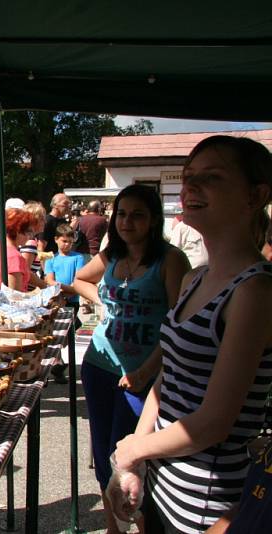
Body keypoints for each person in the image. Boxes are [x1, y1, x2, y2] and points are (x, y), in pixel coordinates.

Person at [114, 136, 272, 533]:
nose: (191, 187)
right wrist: (136, 459)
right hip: (164, 483)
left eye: (212, 177)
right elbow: (169, 378)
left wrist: (133, 450)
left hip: (208, 501)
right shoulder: (193, 279)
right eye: (188, 177)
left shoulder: (255, 291)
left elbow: (214, 423)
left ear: (256, 195)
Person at [72, 184, 190, 533]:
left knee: (132, 455)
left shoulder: (170, 260)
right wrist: (104, 301)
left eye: (137, 214)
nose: (127, 221)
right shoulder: (112, 255)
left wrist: (147, 371)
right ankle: (113, 527)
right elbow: (79, 279)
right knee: (104, 454)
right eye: (122, 214)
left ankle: (142, 527)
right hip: (99, 364)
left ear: (154, 219)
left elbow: (178, 324)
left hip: (144, 374)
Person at [44, 224, 86, 384]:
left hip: (71, 301)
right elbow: (49, 280)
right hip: (56, 301)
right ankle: (57, 364)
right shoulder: (51, 259)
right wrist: (63, 289)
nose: (67, 244)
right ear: (56, 240)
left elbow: (79, 281)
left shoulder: (78, 257)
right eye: (64, 241)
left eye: (70, 241)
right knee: (55, 334)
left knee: (68, 335)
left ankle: (58, 363)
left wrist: (65, 289)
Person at [0, 208, 36, 295]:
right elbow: (15, 295)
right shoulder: (14, 256)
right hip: (6, 306)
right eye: (28, 232)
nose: (30, 236)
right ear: (18, 231)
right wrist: (37, 294)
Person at [20, 201, 49, 290]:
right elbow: (25, 272)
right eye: (42, 218)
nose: (45, 221)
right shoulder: (30, 243)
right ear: (34, 220)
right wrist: (45, 286)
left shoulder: (30, 240)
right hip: (26, 292)